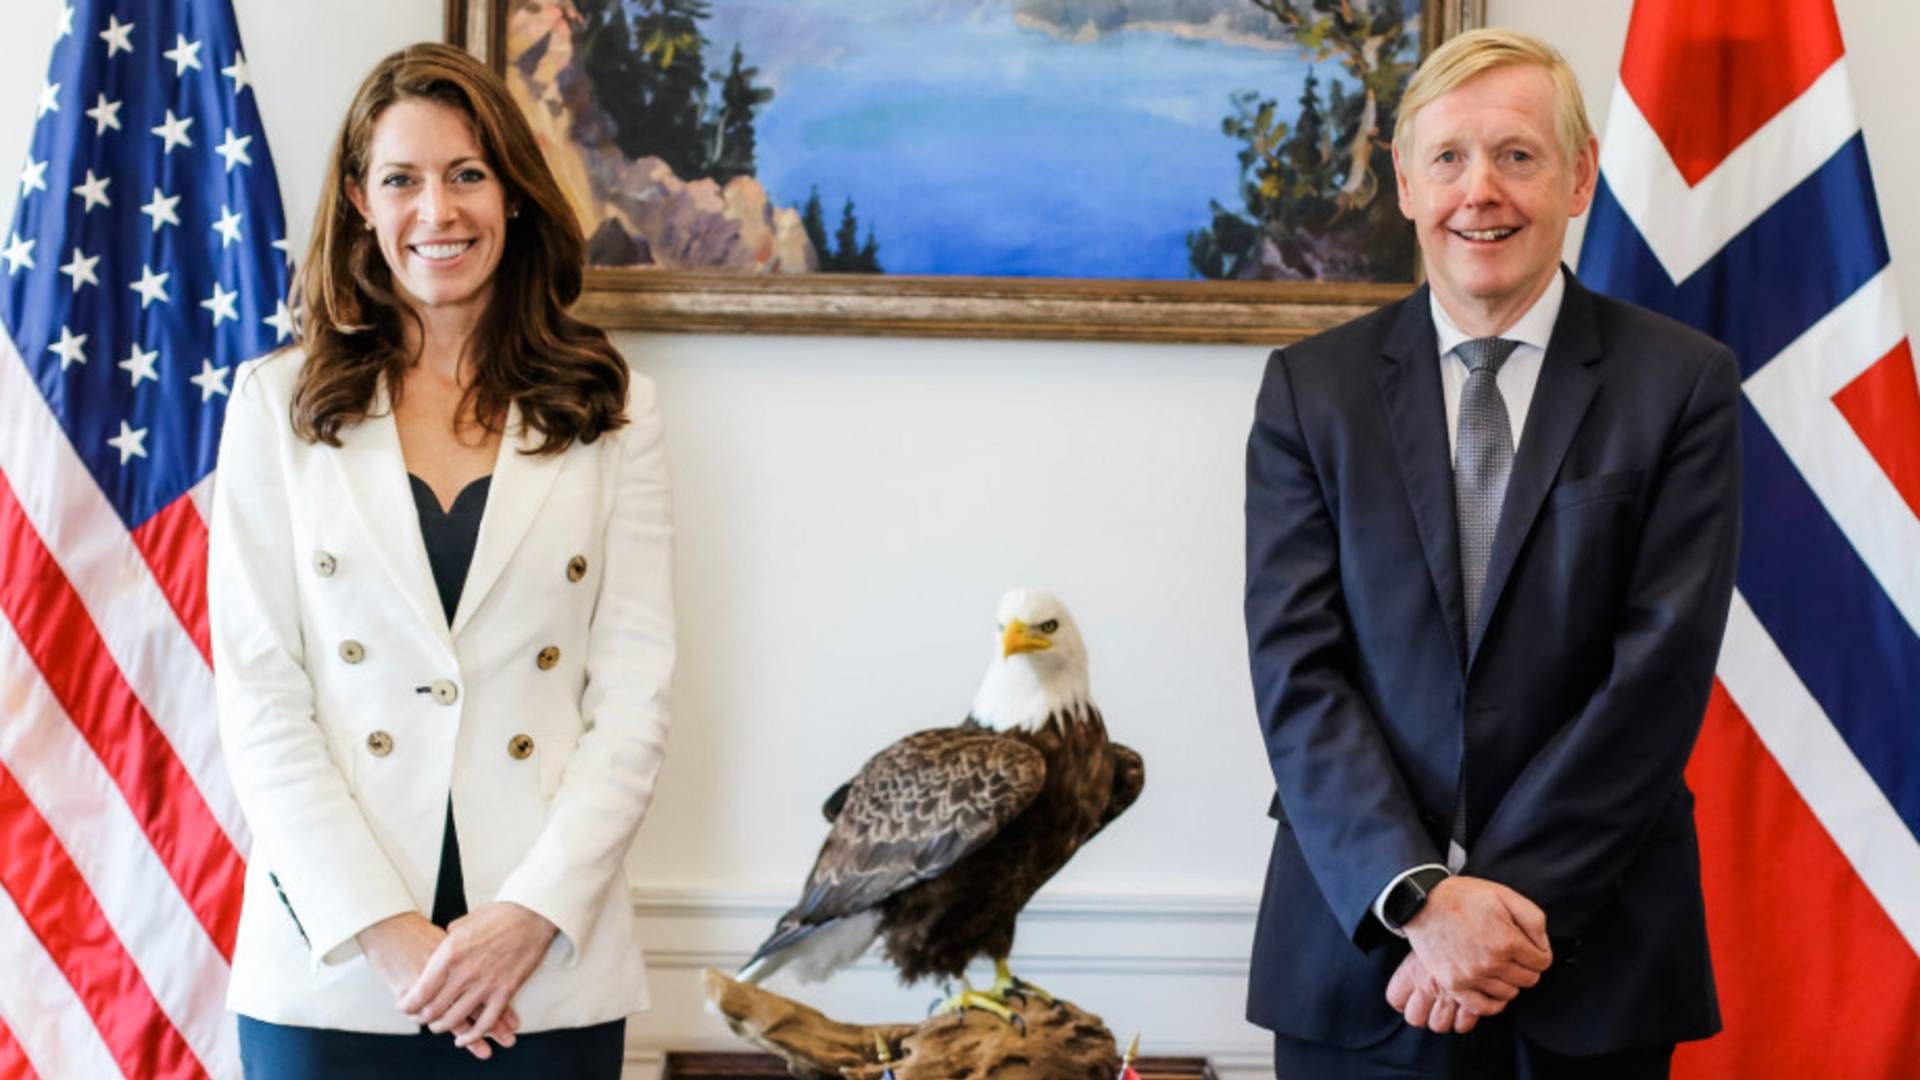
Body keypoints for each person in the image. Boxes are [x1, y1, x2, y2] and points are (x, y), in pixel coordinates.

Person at [1242, 28, 1739, 1079]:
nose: (1483, 191)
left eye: (1518, 154)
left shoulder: (1682, 386)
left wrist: (1491, 920)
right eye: (1451, 159)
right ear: (1406, 185)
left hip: (1590, 957)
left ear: (1579, 176)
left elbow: (1656, 678)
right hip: (1361, 959)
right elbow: (1300, 675)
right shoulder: (1308, 393)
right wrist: (1420, 900)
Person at [209, 43, 673, 1078]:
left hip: (544, 969)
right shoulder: (276, 410)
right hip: (334, 967)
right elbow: (259, 698)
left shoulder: (616, 411)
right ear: (359, 200)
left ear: (511, 190)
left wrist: (525, 919)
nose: (440, 211)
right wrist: (388, 934)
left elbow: (636, 700)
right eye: (403, 179)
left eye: (468, 173)